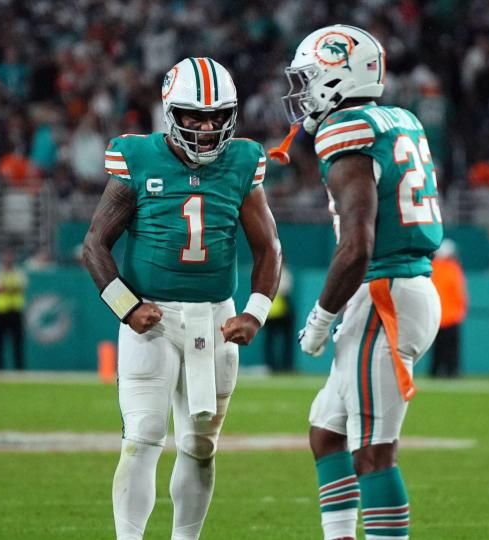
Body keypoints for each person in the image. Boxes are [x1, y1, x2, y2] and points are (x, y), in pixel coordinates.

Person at [81, 57, 281, 540]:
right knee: (144, 434)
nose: (208, 126)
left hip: (215, 319)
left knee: (200, 445)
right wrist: (128, 307)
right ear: (171, 112)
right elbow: (94, 245)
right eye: (195, 115)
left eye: (217, 115)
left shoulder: (242, 161)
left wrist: (254, 313)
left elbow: (269, 248)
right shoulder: (138, 157)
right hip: (152, 317)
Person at [283, 26, 443, 540]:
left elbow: (357, 247)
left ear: (337, 76)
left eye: (309, 78)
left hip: (384, 292)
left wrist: (320, 315)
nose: (302, 91)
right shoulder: (399, 118)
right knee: (326, 433)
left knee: (373, 450)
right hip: (400, 285)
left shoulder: (346, 130)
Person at [430, 240, 468, 378]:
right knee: (452, 350)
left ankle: (435, 372)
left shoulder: (431, 267)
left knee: (437, 350)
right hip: (452, 316)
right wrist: (462, 310)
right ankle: (452, 372)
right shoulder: (453, 268)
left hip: (436, 316)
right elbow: (460, 292)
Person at [0, 249, 28, 370]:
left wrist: (5, 288)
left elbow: (20, 288)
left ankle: (19, 370)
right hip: (0, 312)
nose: (8, 259)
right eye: (5, 256)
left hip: (15, 312)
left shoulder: (18, 272)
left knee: (18, 344)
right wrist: (11, 288)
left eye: (10, 256)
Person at [263, 264, 295, 373]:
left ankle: (285, 365)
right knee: (270, 341)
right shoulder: (271, 272)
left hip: (280, 312)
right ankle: (273, 366)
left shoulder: (282, 272)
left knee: (282, 341)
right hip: (273, 312)